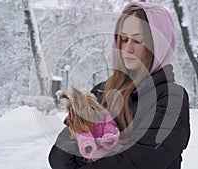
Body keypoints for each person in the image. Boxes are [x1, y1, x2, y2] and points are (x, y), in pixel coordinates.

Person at [49, 2, 190, 169]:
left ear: (158, 46)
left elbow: (139, 161)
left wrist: (92, 153)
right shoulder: (102, 91)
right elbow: (58, 154)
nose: (127, 48)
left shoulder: (171, 98)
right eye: (123, 39)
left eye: (138, 41)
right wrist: (96, 154)